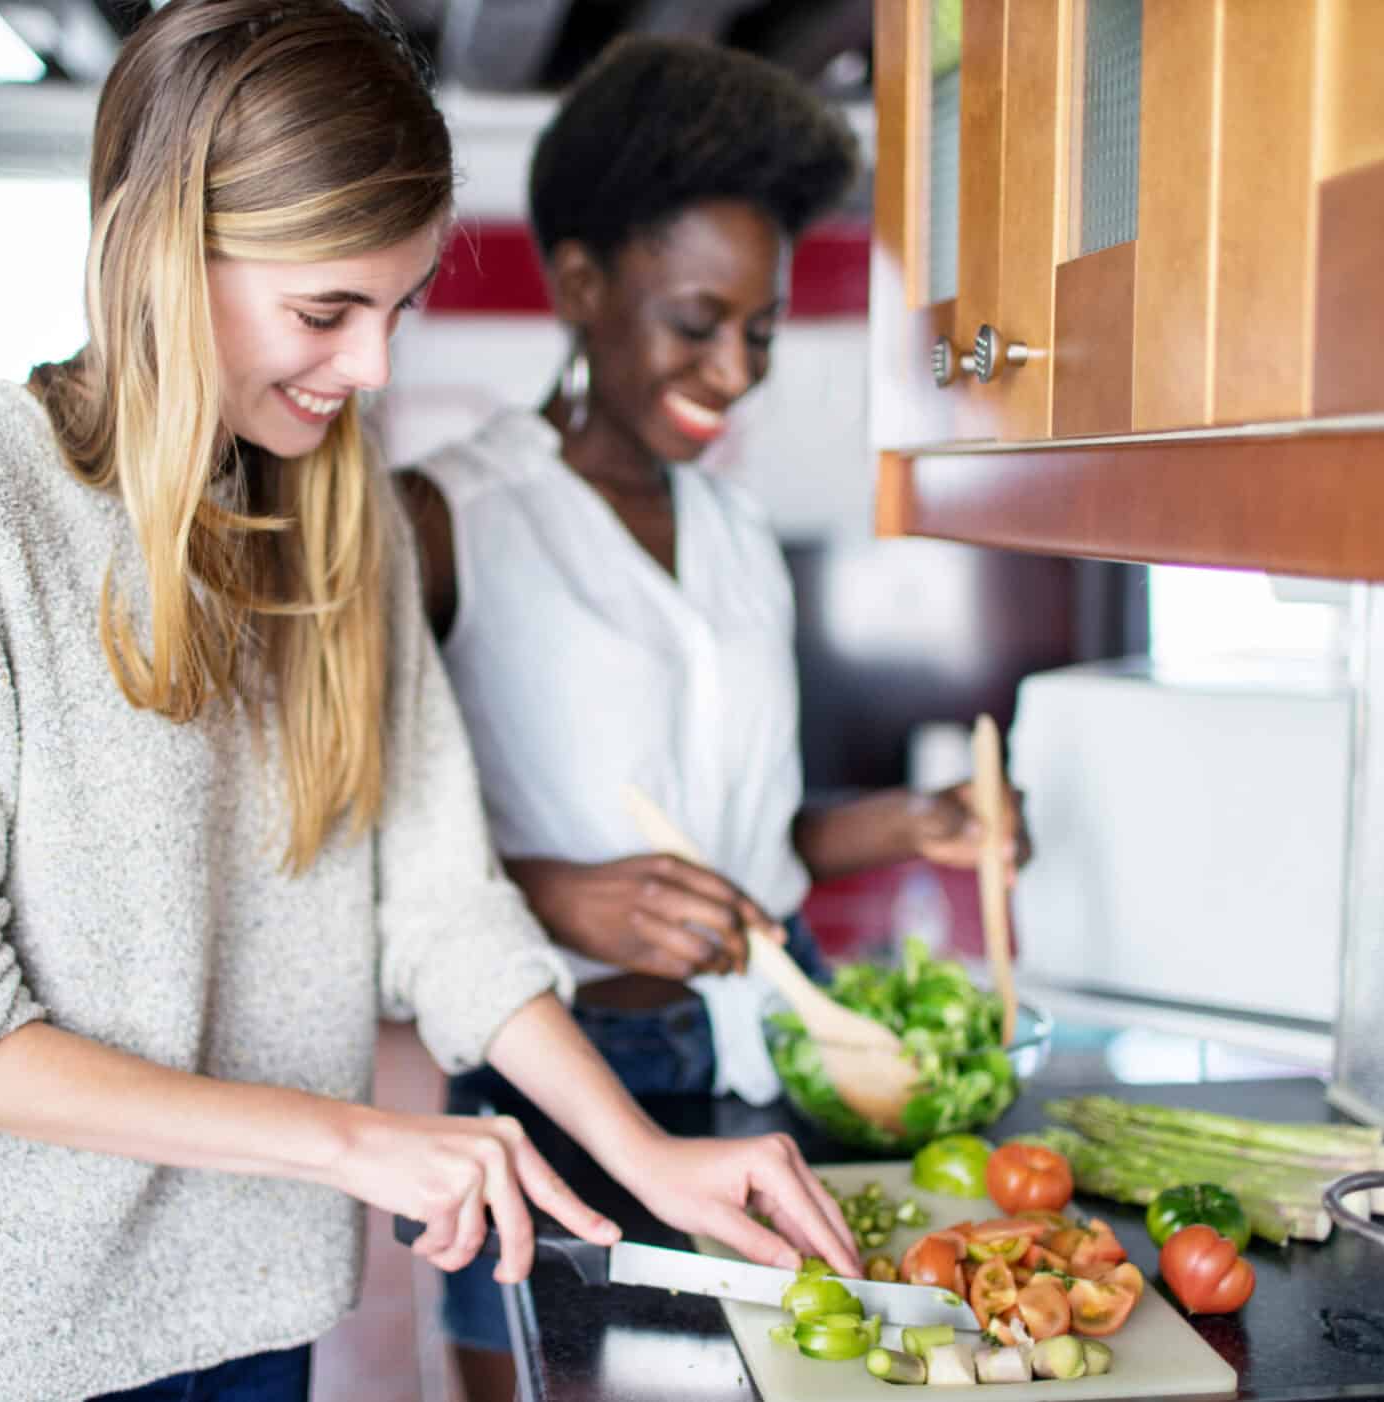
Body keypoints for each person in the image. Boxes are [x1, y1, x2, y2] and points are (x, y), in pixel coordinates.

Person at [0, 6, 857, 1401]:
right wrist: (350, 1141)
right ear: (165, 252)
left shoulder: (346, 528)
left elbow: (442, 903)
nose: (374, 370)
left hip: (260, 1300)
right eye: (325, 311)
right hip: (20, 1333)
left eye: (397, 309)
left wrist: (646, 1151)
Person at [396, 36, 1027, 1399]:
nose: (736, 370)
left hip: (757, 1052)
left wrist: (923, 823)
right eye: (697, 321)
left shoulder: (738, 534)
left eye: (761, 329)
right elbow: (357, 860)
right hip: (558, 1080)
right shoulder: (447, 520)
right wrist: (559, 892)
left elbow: (754, 831)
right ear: (579, 283)